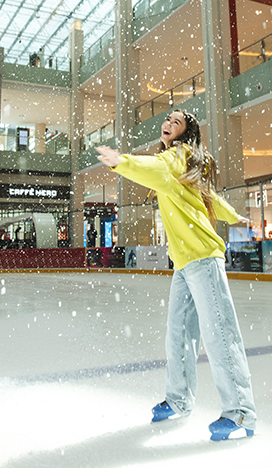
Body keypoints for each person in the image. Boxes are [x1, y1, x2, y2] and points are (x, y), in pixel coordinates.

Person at [96, 109, 256, 441]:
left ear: (186, 134)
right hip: (183, 262)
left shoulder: (178, 157)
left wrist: (122, 162)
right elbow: (210, 198)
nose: (168, 123)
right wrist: (234, 215)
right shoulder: (182, 166)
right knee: (178, 334)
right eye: (167, 119)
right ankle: (179, 399)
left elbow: (157, 171)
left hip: (201, 256)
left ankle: (241, 411)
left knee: (220, 334)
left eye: (177, 121)